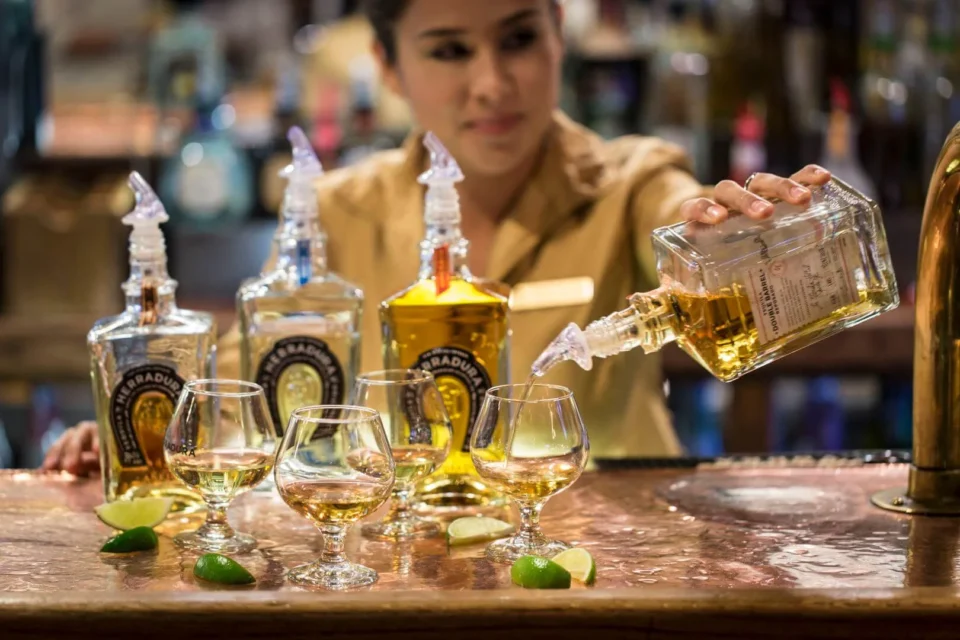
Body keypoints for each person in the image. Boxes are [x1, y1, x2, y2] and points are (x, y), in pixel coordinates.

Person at [43, 0, 830, 477]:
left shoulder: (631, 179)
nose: (491, 82)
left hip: (612, 547)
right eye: (450, 50)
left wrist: (730, 226)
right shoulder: (339, 210)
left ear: (559, 31)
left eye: (519, 37)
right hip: (412, 563)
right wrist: (139, 433)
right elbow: (239, 391)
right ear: (388, 66)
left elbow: (677, 211)